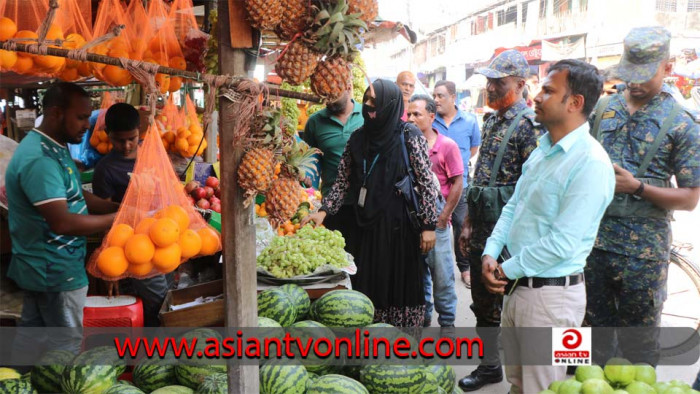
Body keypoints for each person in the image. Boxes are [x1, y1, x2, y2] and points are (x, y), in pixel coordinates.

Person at [482, 59, 615, 394]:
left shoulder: (591, 163)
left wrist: (504, 269)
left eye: (548, 90)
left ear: (575, 103)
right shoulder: (543, 152)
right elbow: (515, 206)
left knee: (547, 389)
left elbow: (564, 243)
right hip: (519, 289)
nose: (537, 97)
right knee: (519, 384)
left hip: (555, 301)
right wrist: (491, 252)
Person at [585, 27, 700, 366]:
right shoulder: (604, 108)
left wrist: (638, 188)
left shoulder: (682, 123)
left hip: (642, 258)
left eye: (643, 74)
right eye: (629, 73)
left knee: (637, 350)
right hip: (590, 246)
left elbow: (690, 197)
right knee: (585, 342)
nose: (633, 82)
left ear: (667, 67)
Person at [303, 79, 439, 327]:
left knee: (399, 285)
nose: (367, 105)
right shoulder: (357, 138)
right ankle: (372, 344)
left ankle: (402, 347)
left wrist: (429, 226)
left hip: (400, 229)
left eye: (374, 101)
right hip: (365, 226)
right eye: (366, 99)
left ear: (390, 104)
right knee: (369, 285)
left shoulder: (409, 135)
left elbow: (426, 183)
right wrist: (323, 211)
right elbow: (342, 183)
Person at [5, 82, 118, 362]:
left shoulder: (55, 147)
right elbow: (62, 222)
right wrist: (115, 219)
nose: (86, 126)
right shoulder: (41, 159)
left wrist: (114, 207)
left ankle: (17, 382)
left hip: (47, 265)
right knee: (64, 344)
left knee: (31, 337)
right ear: (56, 113)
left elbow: (74, 195)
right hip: (52, 269)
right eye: (80, 118)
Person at [457, 49, 545, 392]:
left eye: (499, 82)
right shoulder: (491, 120)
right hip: (483, 230)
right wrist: (468, 224)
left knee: (528, 309)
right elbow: (480, 181)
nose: (490, 87)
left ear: (521, 84)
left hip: (515, 235)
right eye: (489, 81)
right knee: (483, 305)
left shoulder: (530, 125)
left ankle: (538, 374)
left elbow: (536, 188)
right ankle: (490, 366)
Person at [92, 103, 172, 327]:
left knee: (166, 295)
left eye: (132, 138)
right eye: (119, 140)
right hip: (136, 248)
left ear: (140, 132)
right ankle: (156, 353)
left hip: (165, 238)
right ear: (108, 135)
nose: (126, 145)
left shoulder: (153, 154)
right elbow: (109, 219)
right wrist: (111, 266)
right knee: (158, 302)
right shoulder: (105, 169)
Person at [406, 94, 462, 328]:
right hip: (412, 220)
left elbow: (458, 183)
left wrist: (443, 217)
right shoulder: (405, 145)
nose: (410, 119)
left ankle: (447, 324)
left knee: (443, 279)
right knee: (419, 277)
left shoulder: (446, 146)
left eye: (416, 114)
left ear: (431, 116)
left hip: (437, 221)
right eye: (408, 114)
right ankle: (424, 318)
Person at [302, 86, 364, 253]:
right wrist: (308, 178)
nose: (328, 99)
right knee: (335, 252)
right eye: (324, 95)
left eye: (333, 94)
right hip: (332, 203)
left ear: (348, 88)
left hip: (364, 203)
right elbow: (310, 157)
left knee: (362, 255)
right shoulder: (315, 122)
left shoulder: (367, 115)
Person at [432, 80, 481, 288]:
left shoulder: (469, 121)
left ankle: (465, 268)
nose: (435, 100)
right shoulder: (431, 120)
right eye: (434, 96)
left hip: (458, 186)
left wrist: (455, 167)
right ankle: (433, 270)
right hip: (434, 188)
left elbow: (473, 148)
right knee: (434, 226)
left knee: (461, 226)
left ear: (453, 97)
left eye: (440, 96)